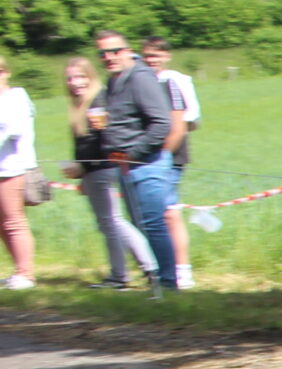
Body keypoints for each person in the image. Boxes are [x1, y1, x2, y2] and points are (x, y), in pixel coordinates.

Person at [94, 31, 177, 292]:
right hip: (127, 167)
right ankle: (157, 283)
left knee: (153, 224)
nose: (109, 57)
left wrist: (133, 153)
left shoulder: (140, 78)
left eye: (114, 51)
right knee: (143, 225)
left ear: (128, 50)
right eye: (103, 54)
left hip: (148, 164)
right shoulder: (115, 81)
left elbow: (162, 123)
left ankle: (167, 283)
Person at [62, 58, 152, 289]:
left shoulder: (98, 101)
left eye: (80, 77)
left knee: (112, 222)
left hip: (102, 169)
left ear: (91, 76)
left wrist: (84, 167)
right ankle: (143, 268)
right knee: (110, 223)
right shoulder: (81, 103)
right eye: (70, 78)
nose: (75, 83)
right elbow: (85, 143)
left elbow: (103, 141)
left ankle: (127, 274)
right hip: (93, 171)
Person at [140, 38, 199, 287]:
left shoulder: (175, 80)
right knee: (154, 213)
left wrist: (165, 151)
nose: (151, 60)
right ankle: (161, 266)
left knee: (169, 212)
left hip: (171, 154)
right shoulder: (142, 80)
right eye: (147, 56)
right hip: (147, 153)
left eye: (156, 55)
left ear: (166, 56)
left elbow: (191, 119)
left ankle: (181, 269)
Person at [0, 52, 36, 289]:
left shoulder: (15, 97)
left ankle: (26, 273)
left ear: (6, 72)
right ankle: (18, 271)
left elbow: (12, 130)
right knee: (3, 223)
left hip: (11, 168)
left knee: (14, 222)